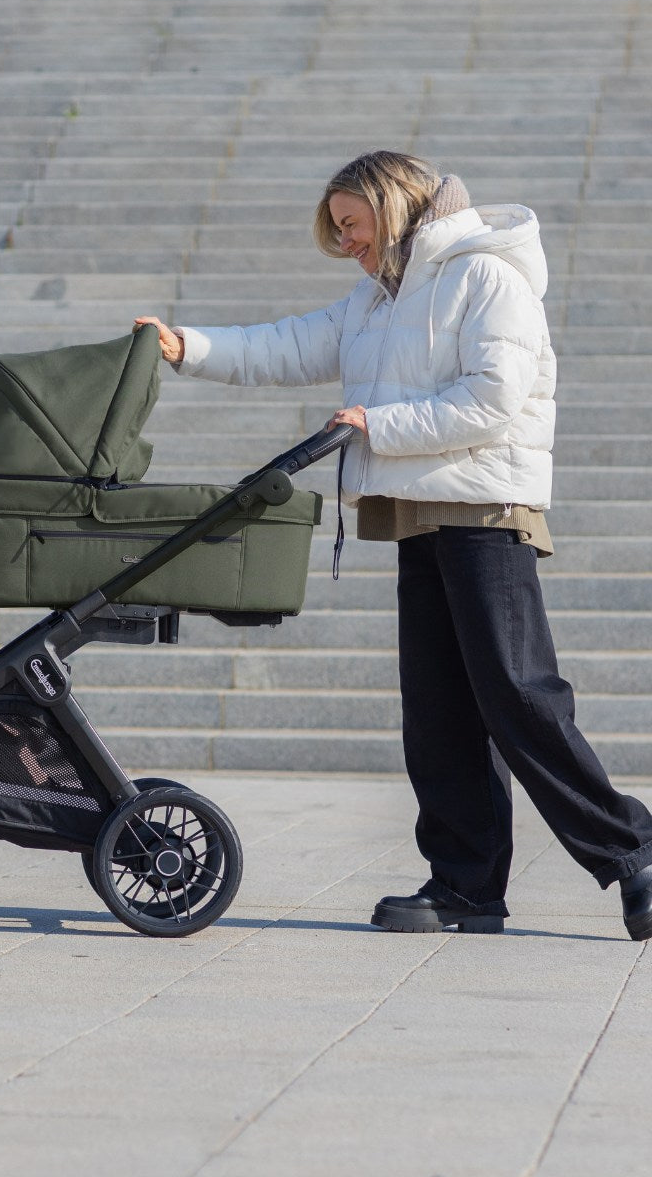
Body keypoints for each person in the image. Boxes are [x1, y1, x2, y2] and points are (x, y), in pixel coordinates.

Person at [135, 148, 652, 940]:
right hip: (417, 511)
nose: (345, 240)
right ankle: (465, 885)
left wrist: (378, 425)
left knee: (517, 694)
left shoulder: (486, 276)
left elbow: (493, 399)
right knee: (439, 712)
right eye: (336, 229)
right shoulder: (376, 299)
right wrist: (186, 348)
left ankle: (635, 851)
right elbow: (288, 345)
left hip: (485, 510)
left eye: (352, 222)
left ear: (395, 203)